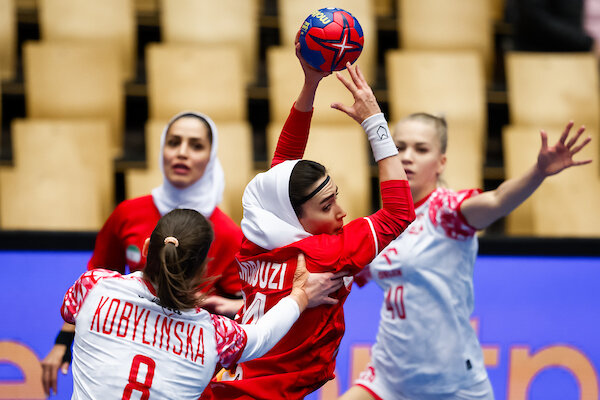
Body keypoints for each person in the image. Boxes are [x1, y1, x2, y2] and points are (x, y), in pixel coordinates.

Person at [202, 44, 416, 400]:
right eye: (326, 206)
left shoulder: (256, 237)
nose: (341, 213)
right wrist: (374, 120)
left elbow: (281, 173)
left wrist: (310, 84)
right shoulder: (326, 254)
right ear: (295, 216)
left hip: (229, 385)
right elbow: (399, 213)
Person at [339, 113, 592, 400]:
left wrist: (538, 171)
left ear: (441, 162)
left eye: (421, 149)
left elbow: (497, 200)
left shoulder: (445, 211)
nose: (407, 157)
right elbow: (343, 275)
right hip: (387, 378)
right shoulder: (382, 224)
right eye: (399, 148)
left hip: (453, 385)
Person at [42, 111, 244, 396]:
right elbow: (92, 285)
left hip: (187, 370)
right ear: (162, 148)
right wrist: (62, 343)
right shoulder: (128, 214)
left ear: (211, 157)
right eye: (174, 142)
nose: (182, 153)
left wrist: (211, 304)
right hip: (124, 355)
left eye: (196, 145)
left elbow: (244, 309)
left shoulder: (227, 233)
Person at [60, 208, 342, 399]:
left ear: (146, 249)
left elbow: (69, 312)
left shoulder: (93, 286)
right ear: (201, 272)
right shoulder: (217, 336)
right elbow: (263, 335)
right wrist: (300, 296)